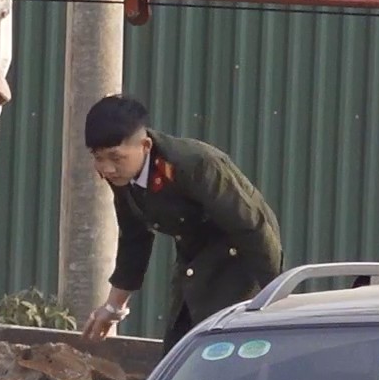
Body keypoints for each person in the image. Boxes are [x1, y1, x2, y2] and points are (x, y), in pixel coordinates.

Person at [80, 94, 284, 352]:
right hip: (193, 256)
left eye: (115, 157)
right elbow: (134, 237)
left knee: (223, 347)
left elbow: (252, 229)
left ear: (144, 145)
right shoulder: (122, 174)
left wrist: (274, 297)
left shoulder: (193, 164)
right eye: (98, 158)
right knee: (180, 347)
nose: (107, 168)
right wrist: (113, 307)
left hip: (239, 256)